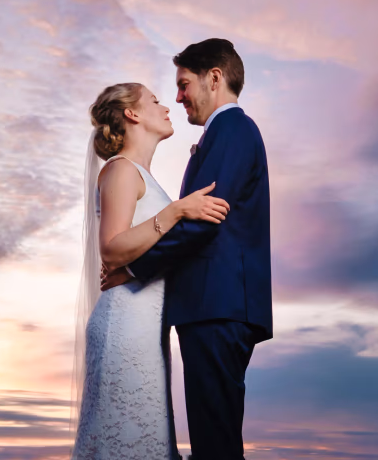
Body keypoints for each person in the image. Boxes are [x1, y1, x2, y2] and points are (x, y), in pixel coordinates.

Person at [102, 38, 273, 460]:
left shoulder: (233, 129)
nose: (178, 98)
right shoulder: (224, 135)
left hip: (217, 304)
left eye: (183, 85)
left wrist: (135, 268)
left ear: (214, 79)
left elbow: (203, 223)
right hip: (213, 306)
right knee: (213, 437)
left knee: (214, 441)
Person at [71, 82, 231, 460]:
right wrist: (175, 211)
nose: (166, 106)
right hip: (124, 325)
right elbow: (110, 249)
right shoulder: (120, 170)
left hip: (147, 326)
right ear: (132, 114)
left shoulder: (144, 176)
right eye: (155, 101)